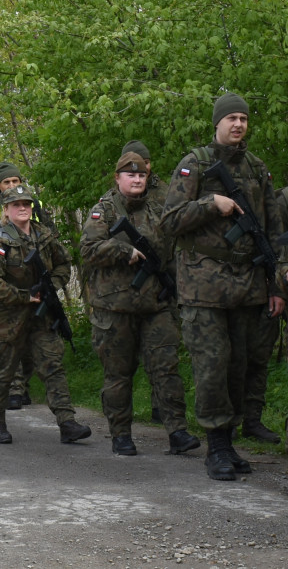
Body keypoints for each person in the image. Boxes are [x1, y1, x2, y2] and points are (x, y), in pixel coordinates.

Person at [161, 92, 286, 480]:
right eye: (231, 118)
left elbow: (275, 232)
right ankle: (215, 445)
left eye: (243, 119)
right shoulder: (194, 165)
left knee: (238, 367)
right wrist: (210, 204)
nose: (238, 124)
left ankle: (228, 442)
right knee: (212, 367)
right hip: (203, 288)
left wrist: (277, 285)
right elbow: (167, 223)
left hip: (248, 287)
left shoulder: (256, 168)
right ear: (216, 123)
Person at [80, 152, 199, 456]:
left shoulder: (159, 209)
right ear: (117, 178)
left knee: (166, 369)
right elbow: (88, 249)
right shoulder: (103, 211)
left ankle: (177, 431)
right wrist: (122, 250)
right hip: (114, 308)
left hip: (156, 305)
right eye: (129, 175)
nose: (136, 180)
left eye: (141, 175)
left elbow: (173, 253)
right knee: (118, 375)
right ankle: (121, 434)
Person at [0, 185, 91, 444]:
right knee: (3, 371)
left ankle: (67, 422)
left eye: (27, 204)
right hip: (7, 317)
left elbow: (64, 263)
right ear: (6, 210)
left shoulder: (44, 235)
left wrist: (52, 285)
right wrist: (23, 296)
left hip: (41, 316)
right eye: (16, 204)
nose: (23, 208)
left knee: (53, 366)